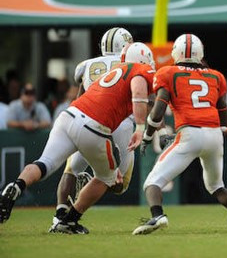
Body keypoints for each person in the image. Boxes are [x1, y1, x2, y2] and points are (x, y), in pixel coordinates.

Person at [0, 42, 156, 234]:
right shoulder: (139, 69)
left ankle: (17, 185)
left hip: (69, 115)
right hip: (93, 125)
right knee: (107, 178)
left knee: (45, 163)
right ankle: (69, 221)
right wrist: (140, 127)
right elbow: (139, 92)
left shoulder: (110, 72)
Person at [133, 34, 227, 235]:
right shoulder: (216, 76)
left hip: (190, 132)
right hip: (214, 135)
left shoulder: (168, 72)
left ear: (176, 52)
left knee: (152, 182)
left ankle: (158, 215)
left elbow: (158, 110)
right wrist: (222, 127)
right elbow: (223, 112)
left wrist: (147, 135)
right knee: (216, 186)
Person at [49, 27, 135, 232]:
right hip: (121, 123)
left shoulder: (86, 66)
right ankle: (70, 216)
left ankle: (59, 214)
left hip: (90, 121)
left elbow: (79, 100)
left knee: (71, 169)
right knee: (118, 185)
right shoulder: (132, 65)